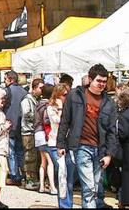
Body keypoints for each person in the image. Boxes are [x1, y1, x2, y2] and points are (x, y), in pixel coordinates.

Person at [57, 64, 118, 208]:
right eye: (99, 81)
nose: (102, 84)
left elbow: (111, 131)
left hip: (100, 149)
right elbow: (65, 120)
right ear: (90, 79)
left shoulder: (109, 102)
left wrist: (109, 154)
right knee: (89, 187)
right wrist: (61, 144)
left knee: (94, 187)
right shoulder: (75, 95)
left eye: (104, 82)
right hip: (81, 147)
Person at [46, 83, 70, 206]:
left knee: (67, 175)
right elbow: (58, 121)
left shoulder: (69, 106)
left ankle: (66, 203)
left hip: (67, 143)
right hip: (54, 143)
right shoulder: (51, 108)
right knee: (62, 173)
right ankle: (64, 204)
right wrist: (60, 108)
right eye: (64, 95)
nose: (66, 97)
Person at [20, 77, 44, 191]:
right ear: (34, 88)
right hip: (28, 132)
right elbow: (26, 115)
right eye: (41, 88)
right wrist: (39, 116)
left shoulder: (38, 99)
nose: (42, 90)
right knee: (29, 156)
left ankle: (34, 179)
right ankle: (29, 180)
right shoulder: (27, 100)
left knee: (36, 157)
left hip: (34, 131)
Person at [3, 70, 27, 186]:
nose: (4, 81)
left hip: (10, 124)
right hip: (20, 124)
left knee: (11, 151)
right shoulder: (24, 92)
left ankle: (14, 175)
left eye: (6, 79)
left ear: (11, 80)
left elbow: (4, 106)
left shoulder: (8, 91)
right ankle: (24, 173)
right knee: (20, 151)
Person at [34, 84, 57, 195]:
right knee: (50, 162)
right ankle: (53, 187)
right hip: (44, 133)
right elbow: (47, 121)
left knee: (43, 162)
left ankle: (42, 186)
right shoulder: (47, 105)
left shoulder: (37, 104)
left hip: (37, 133)